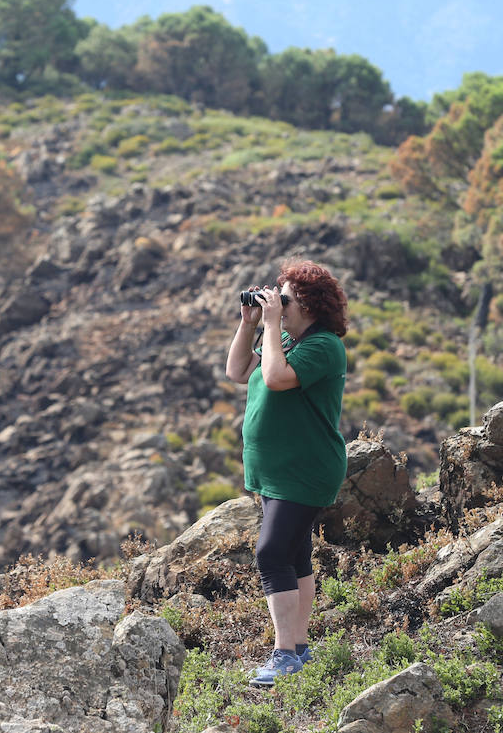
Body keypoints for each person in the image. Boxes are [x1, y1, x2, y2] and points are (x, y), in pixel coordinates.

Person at [224, 259, 349, 687]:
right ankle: (298, 647)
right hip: (277, 473)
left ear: (310, 305)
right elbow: (238, 372)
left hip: (305, 471)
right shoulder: (288, 343)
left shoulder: (323, 345)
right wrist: (250, 322)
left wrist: (273, 324)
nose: (278, 302)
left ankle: (283, 655)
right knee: (294, 555)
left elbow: (276, 378)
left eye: (287, 297)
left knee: (271, 553)